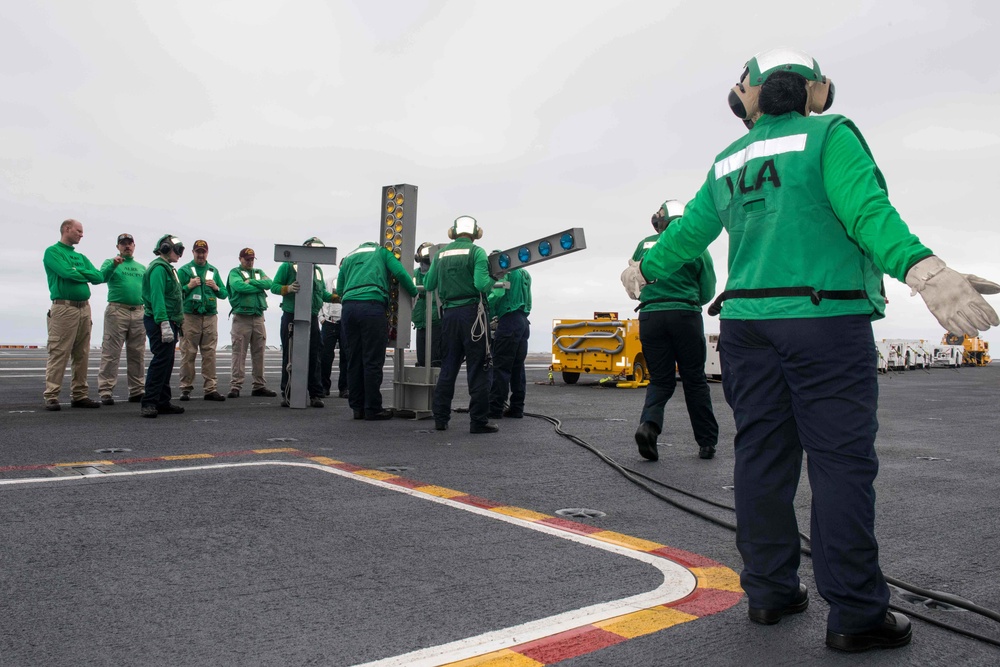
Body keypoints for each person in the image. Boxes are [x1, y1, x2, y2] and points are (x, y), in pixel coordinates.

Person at [622, 48, 999, 652]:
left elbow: (688, 233)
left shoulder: (728, 157)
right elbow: (867, 213)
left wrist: (644, 267)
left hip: (747, 329)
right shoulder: (830, 134)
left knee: (761, 459)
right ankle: (854, 612)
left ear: (745, 95)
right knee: (840, 464)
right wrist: (924, 270)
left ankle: (769, 592)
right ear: (816, 91)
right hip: (825, 322)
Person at [629, 200, 719, 461]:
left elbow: (635, 283)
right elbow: (708, 288)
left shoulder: (643, 245)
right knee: (694, 380)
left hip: (650, 316)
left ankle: (649, 426)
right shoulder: (694, 244)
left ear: (658, 222)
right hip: (685, 316)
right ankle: (706, 443)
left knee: (660, 379)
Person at [423, 216, 498, 433]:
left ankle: (440, 418)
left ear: (453, 233)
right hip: (473, 314)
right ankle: (478, 422)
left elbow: (429, 284)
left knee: (448, 367)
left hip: (449, 315)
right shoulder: (477, 252)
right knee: (479, 368)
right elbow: (481, 283)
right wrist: (494, 280)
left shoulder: (441, 254)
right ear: (476, 234)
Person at [337, 240, 417, 420]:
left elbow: (340, 288)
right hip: (372, 307)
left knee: (354, 359)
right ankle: (373, 408)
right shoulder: (382, 252)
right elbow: (399, 272)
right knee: (372, 359)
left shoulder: (350, 255)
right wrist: (413, 292)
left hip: (348, 308)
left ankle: (357, 408)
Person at [42, 219, 110, 410]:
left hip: (83, 308)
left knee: (82, 353)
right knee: (59, 352)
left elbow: (98, 278)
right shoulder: (53, 252)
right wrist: (84, 273)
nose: (82, 234)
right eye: (79, 231)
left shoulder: (80, 256)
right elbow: (66, 273)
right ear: (66, 229)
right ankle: (52, 395)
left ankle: (79, 394)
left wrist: (79, 271)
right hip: (64, 308)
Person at [271, 237, 337, 408]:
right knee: (291, 354)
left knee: (315, 354)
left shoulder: (318, 270)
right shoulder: (288, 265)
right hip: (292, 315)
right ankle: (288, 392)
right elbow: (274, 286)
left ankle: (315, 393)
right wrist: (287, 289)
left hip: (312, 316)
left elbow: (321, 293)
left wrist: (336, 298)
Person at [97, 233, 147, 406]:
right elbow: (101, 277)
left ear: (134, 246)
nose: (127, 246)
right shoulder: (110, 262)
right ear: (117, 247)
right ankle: (105, 390)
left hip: (139, 312)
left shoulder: (141, 268)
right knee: (111, 353)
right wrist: (113, 265)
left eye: (130, 243)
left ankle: (137, 390)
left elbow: (147, 289)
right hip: (118, 311)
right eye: (123, 243)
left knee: (137, 353)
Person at [140, 234, 187, 418]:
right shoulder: (159, 268)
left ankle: (162, 401)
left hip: (169, 320)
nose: (180, 254)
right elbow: (157, 297)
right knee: (161, 362)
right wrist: (163, 322)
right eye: (179, 250)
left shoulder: (168, 269)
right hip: (161, 320)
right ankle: (149, 402)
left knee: (167, 362)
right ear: (166, 248)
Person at [177, 240, 227, 402]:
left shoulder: (213, 271)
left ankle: (210, 389)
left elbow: (224, 294)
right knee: (188, 353)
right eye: (198, 251)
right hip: (190, 317)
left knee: (209, 354)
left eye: (203, 251)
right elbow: (174, 293)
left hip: (210, 317)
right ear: (193, 252)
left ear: (207, 252)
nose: (201, 254)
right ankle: (185, 388)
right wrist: (188, 286)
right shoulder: (184, 271)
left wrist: (216, 288)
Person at [226, 248, 276, 399]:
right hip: (242, 318)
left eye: (252, 259)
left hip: (258, 317)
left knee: (259, 352)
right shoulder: (234, 273)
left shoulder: (258, 272)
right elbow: (239, 286)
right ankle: (236, 386)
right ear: (240, 259)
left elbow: (270, 284)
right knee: (238, 353)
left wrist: (253, 282)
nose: (250, 261)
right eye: (247, 259)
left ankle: (259, 386)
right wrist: (258, 288)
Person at [487, 260, 531, 420]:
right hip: (523, 321)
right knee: (518, 368)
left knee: (500, 368)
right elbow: (529, 302)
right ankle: (517, 408)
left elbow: (498, 293)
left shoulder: (502, 269)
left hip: (508, 320)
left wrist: (486, 307)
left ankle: (494, 409)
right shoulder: (524, 273)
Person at [413, 242, 442, 368]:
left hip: (436, 322)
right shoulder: (414, 274)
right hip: (420, 322)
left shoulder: (439, 272)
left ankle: (436, 386)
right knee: (421, 359)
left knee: (435, 360)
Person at [319, 276, 348, 398]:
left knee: (346, 356)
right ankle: (324, 386)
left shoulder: (351, 281)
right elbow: (320, 296)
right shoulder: (328, 281)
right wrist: (321, 318)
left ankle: (344, 388)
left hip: (344, 322)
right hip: (329, 322)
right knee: (325, 356)